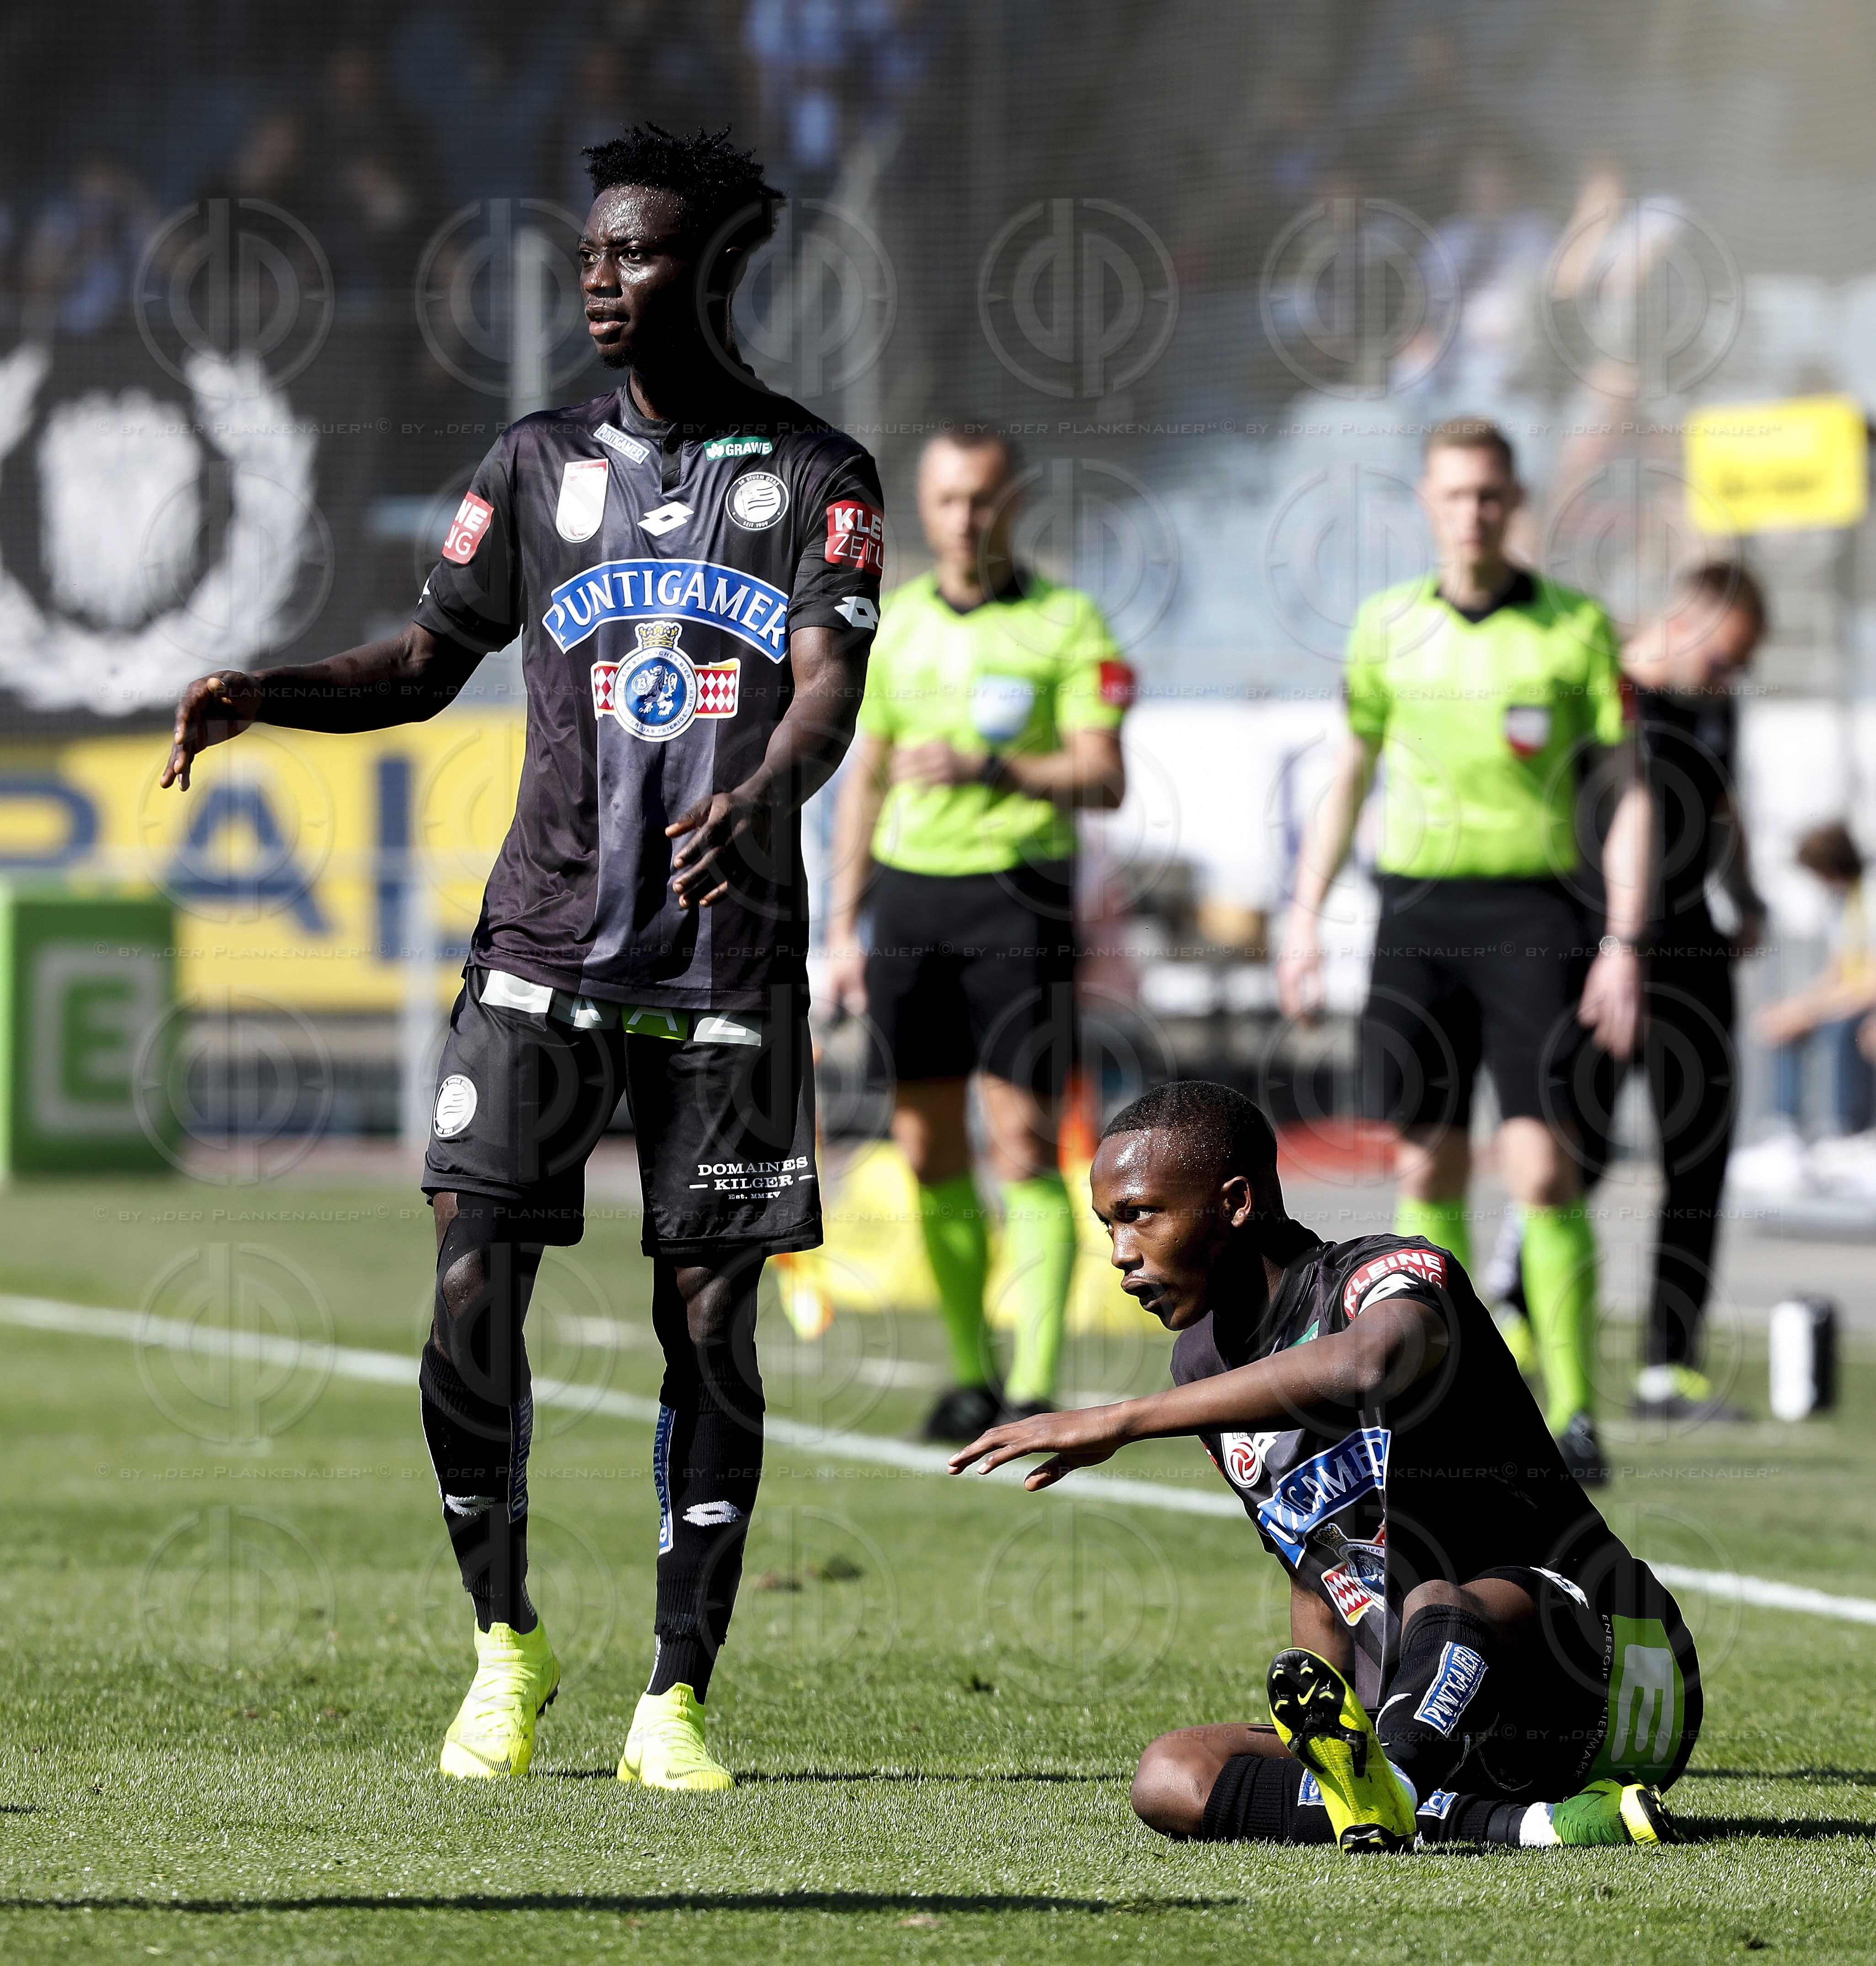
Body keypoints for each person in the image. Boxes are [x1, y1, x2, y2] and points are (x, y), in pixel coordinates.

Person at [161, 126, 884, 1792]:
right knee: (471, 1285)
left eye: (631, 255)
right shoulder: (539, 460)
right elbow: (429, 661)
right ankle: (505, 1638)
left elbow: (831, 682)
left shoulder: (817, 473)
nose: (599, 281)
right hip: (541, 944)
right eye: (588, 257)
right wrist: (270, 689)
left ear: (711, 270)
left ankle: (676, 1692)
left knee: (710, 1327)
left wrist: (767, 790)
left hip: (727, 964)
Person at [951, 1080, 1700, 1853]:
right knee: (1170, 1774)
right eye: (1106, 1225)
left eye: (1137, 1215)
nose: (1118, 1255)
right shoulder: (1201, 1362)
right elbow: (1316, 1570)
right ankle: (1530, 1827)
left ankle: (1394, 1791)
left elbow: (1367, 1363)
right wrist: (1320, 1728)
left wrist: (1121, 1420)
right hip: (1442, 1719)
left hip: (1601, 1669)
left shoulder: (1388, 1276)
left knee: (1446, 1602)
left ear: (1235, 1202)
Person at [1276, 417, 1649, 1485]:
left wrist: (1624, 937)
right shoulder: (1386, 626)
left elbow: (1626, 791)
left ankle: (1575, 1410)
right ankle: (1438, 1383)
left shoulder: (1574, 628)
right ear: (1429, 505)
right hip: (1415, 920)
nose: (1473, 513)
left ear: (1512, 500)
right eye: (1454, 495)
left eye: (1489, 494)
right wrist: (1304, 909)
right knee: (1422, 1161)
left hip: (1536, 916)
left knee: (1542, 1163)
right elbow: (1349, 771)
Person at [825, 429, 1132, 1441]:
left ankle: (1036, 1383)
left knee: (1027, 1146)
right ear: (927, 506)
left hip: (1018, 900)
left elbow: (1106, 774)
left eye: (986, 499)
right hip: (912, 906)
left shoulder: (1065, 620)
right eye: (950, 500)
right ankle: (971, 1372)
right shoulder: (897, 624)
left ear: (1017, 500)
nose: (968, 518)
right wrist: (845, 924)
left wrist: (992, 770)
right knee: (927, 1147)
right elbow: (864, 777)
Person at [1491, 564, 1769, 1421]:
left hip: (1689, 946)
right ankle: (1519, 1307)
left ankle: (1666, 1366)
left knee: (1698, 1154)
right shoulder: (1602, 689)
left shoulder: (1715, 708)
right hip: (1596, 944)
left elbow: (1721, 811)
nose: (1728, 678)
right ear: (1688, 618)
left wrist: (1745, 894)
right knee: (1578, 1141)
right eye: (1723, 657)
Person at [1745, 823, 1876, 1167]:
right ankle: (1785, 1129)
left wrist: (1819, 1010)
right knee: (1786, 1027)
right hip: (1849, 1000)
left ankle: (1848, 1132)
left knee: (1844, 1030)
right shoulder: (1844, 904)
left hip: (1864, 1004)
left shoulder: (1872, 896)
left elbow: (1871, 981)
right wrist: (1798, 1008)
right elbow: (1837, 971)